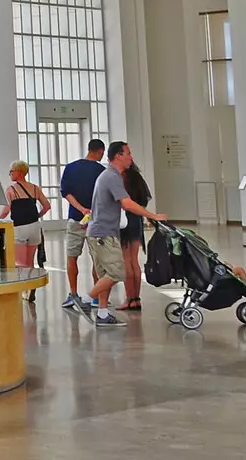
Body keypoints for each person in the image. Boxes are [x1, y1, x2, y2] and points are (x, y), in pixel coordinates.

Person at [73, 141, 169, 326]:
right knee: (117, 273)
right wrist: (153, 216)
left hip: (100, 232)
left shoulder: (107, 176)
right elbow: (127, 203)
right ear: (118, 156)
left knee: (104, 276)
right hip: (103, 234)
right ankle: (84, 300)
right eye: (128, 153)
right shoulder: (112, 176)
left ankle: (102, 314)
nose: (131, 157)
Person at [58, 139, 106, 310]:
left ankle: (73, 293)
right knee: (97, 259)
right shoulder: (102, 171)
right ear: (100, 151)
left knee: (72, 257)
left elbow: (66, 192)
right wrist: (91, 212)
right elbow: (103, 197)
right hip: (96, 221)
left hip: (75, 219)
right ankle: (96, 296)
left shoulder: (71, 167)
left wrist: (80, 209)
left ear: (88, 149)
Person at [6, 161, 52, 276]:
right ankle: (31, 291)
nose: (9, 174)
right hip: (35, 227)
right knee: (30, 262)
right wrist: (37, 215)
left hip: (19, 228)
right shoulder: (35, 188)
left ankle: (23, 291)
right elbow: (47, 206)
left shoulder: (11, 189)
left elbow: (7, 208)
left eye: (11, 171)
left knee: (20, 263)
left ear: (19, 172)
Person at [119, 159, 153, 310]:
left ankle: (129, 298)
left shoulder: (120, 179)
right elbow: (144, 201)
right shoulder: (137, 178)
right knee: (134, 260)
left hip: (124, 221)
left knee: (126, 260)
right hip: (137, 220)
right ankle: (136, 299)